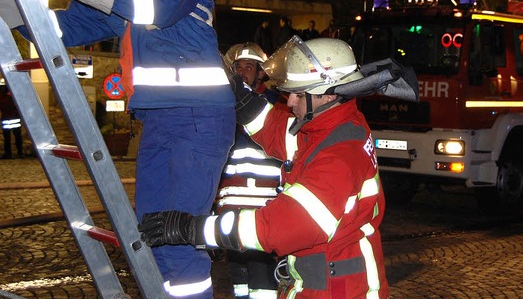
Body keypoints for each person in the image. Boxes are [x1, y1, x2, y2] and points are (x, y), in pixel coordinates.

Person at [13, 0, 235, 298]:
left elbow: (158, 7)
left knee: (176, 237)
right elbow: (68, 29)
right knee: (153, 237)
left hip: (198, 118)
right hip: (160, 122)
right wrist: (12, 4)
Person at [139, 36, 421, 299]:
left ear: (330, 94)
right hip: (327, 280)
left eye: (298, 94)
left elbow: (274, 229)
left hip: (340, 289)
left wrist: (193, 228)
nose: (291, 101)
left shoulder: (339, 157)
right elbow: (276, 129)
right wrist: (241, 96)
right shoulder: (330, 128)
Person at [218, 42, 282, 298]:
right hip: (231, 206)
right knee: (239, 278)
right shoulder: (223, 104)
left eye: (249, 66)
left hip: (263, 209)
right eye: (238, 67)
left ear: (261, 72)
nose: (243, 71)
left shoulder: (276, 103)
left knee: (262, 279)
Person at [0, 86, 23, 159]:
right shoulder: (16, 99)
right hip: (16, 121)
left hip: (6, 121)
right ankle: (20, 152)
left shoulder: (3, 99)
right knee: (18, 137)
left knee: (7, 139)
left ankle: (8, 154)